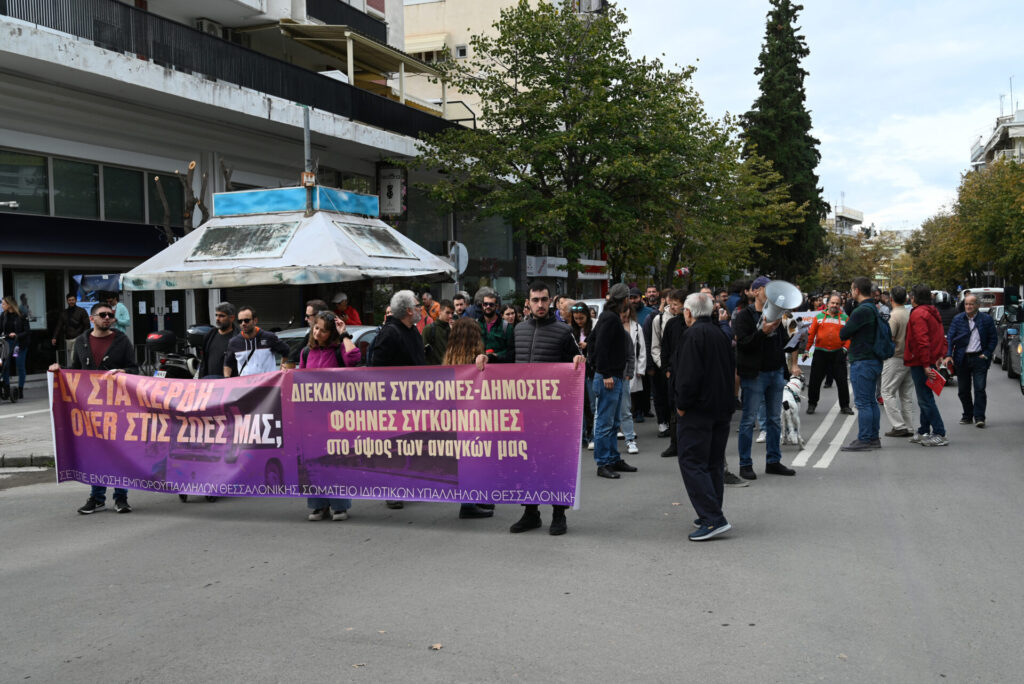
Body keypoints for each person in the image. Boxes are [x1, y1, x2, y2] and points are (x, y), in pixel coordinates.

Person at [507, 281, 585, 535]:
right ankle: (531, 513)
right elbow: (508, 361)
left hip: (553, 414)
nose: (540, 304)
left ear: (550, 301)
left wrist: (578, 359)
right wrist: (488, 359)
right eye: (535, 300)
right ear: (528, 303)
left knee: (554, 463)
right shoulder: (518, 330)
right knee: (526, 463)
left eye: (544, 299)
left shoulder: (563, 332)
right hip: (524, 412)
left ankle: (559, 514)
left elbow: (580, 362)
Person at [48, 301, 138, 514]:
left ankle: (121, 498)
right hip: (90, 408)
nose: (107, 318)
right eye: (103, 314)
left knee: (118, 452)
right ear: (92, 318)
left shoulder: (122, 340)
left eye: (110, 315)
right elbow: (74, 373)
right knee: (96, 452)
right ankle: (96, 497)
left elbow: (135, 368)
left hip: (118, 407)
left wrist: (125, 371)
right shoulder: (81, 341)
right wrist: (58, 371)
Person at [673, 293, 736, 541]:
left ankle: (712, 518)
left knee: (692, 462)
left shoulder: (693, 335)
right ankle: (712, 511)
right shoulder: (720, 333)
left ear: (688, 312)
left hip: (698, 410)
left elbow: (687, 376)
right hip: (721, 406)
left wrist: (681, 405)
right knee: (712, 462)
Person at [733, 276, 796, 479]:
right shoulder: (745, 316)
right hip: (755, 374)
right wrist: (762, 332)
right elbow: (743, 344)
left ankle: (773, 461)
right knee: (748, 420)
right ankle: (745, 464)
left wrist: (794, 338)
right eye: (768, 290)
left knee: (774, 420)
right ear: (757, 291)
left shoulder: (778, 315)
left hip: (775, 372)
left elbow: (783, 343)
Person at [368, 290, 427, 509]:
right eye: (418, 304)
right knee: (393, 448)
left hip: (413, 399)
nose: (421, 308)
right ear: (409, 310)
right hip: (394, 402)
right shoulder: (390, 333)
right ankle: (392, 489)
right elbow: (378, 371)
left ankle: (407, 485)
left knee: (408, 445)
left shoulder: (411, 331)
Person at [300, 311, 360, 521]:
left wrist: (345, 335)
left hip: (336, 416)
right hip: (312, 417)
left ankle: (340, 505)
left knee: (336, 461)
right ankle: (318, 505)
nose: (317, 332)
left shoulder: (339, 350)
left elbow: (354, 359)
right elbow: (299, 380)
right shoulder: (307, 352)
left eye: (323, 330)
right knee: (313, 462)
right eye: (316, 328)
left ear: (331, 333)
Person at [442, 317, 495, 520]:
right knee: (475, 458)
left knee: (464, 459)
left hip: (455, 414)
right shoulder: (477, 358)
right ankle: (470, 503)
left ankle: (473, 499)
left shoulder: (450, 356)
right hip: (474, 413)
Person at [588, 283, 637, 479]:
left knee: (613, 421)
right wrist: (605, 372)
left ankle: (613, 458)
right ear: (625, 300)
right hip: (609, 377)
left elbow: (592, 341)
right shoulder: (610, 319)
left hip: (612, 375)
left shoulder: (607, 317)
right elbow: (600, 346)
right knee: (605, 422)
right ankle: (603, 462)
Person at [837, 278, 884, 452]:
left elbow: (844, 333)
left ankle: (864, 438)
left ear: (857, 290)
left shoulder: (861, 310)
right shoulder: (873, 307)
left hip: (863, 360)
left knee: (863, 402)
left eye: (851, 289)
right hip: (873, 359)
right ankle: (873, 437)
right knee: (871, 401)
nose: (851, 292)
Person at [904, 286, 948, 446]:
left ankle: (939, 433)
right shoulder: (932, 312)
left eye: (911, 295)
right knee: (925, 396)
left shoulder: (918, 314)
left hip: (921, 361)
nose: (910, 298)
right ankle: (923, 430)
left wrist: (925, 364)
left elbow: (922, 341)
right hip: (930, 359)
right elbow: (939, 336)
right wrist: (940, 354)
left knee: (925, 399)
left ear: (915, 297)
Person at [945, 293, 996, 428]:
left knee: (979, 389)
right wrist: (949, 354)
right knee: (963, 390)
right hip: (962, 358)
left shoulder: (986, 319)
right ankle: (967, 415)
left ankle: (979, 417)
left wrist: (986, 354)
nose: (968, 306)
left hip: (979, 358)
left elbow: (993, 339)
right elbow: (950, 338)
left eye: (971, 304)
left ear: (977, 305)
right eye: (966, 304)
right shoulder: (958, 319)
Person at [804, 294, 852, 415]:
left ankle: (845, 406)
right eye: (832, 303)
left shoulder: (845, 318)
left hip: (838, 353)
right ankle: (812, 404)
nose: (834, 305)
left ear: (840, 305)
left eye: (837, 303)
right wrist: (806, 350)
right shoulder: (819, 317)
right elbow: (811, 334)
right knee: (815, 380)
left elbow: (850, 336)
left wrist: (845, 349)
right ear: (827, 304)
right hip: (821, 352)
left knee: (842, 381)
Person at [880, 286, 915, 437]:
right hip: (909, 357)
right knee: (906, 395)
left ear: (891, 299)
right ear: (906, 299)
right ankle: (909, 426)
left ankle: (899, 425)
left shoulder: (894, 316)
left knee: (887, 391)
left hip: (895, 357)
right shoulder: (909, 314)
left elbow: (890, 337)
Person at [223, 306, 290, 377]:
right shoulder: (234, 342)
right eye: (240, 321)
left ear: (255, 320)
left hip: (268, 384)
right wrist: (227, 380)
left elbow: (286, 350)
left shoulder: (269, 337)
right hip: (246, 386)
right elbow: (228, 364)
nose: (243, 324)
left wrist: (281, 372)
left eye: (246, 320)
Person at [618, 302, 646, 454]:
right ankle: (620, 429)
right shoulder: (612, 326)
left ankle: (629, 435)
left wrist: (641, 368)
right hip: (616, 368)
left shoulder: (636, 327)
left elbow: (641, 349)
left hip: (631, 367)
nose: (624, 316)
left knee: (627, 401)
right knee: (617, 402)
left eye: (625, 312)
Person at [570, 301, 595, 449]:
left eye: (581, 318)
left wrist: (588, 345)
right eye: (576, 318)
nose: (579, 321)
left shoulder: (594, 330)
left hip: (591, 372)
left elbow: (600, 347)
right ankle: (583, 436)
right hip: (577, 374)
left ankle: (592, 434)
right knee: (580, 406)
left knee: (592, 404)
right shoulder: (572, 332)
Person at [0, 296, 30, 402]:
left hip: (18, 344)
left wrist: (16, 334)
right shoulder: (3, 316)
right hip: (7, 344)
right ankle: (7, 388)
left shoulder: (21, 315)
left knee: (18, 363)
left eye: (3, 304)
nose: (2, 305)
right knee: (5, 364)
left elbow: (27, 331)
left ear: (9, 305)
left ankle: (20, 389)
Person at [287, 299, 329, 368]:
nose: (306, 319)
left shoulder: (338, 345)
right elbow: (293, 356)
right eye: (316, 329)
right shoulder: (308, 338)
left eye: (308, 316)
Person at [475, 289, 515, 363]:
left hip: (499, 368)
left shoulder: (506, 327)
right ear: (482, 305)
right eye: (485, 304)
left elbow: (511, 351)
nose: (488, 306)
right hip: (480, 369)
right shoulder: (475, 325)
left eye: (491, 304)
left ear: (496, 306)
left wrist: (496, 356)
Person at [200, 302, 238, 378]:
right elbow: (204, 362)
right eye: (216, 315)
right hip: (210, 383)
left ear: (232, 318)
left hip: (230, 384)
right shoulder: (210, 335)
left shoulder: (238, 337)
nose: (217, 319)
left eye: (221, 316)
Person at [51, 293, 89, 367]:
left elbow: (87, 325)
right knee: (73, 357)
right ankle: (79, 369)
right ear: (67, 301)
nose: (71, 301)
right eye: (69, 300)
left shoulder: (81, 311)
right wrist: (54, 337)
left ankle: (76, 371)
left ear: (76, 300)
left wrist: (84, 336)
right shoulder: (64, 313)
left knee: (73, 357)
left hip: (79, 338)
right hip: (68, 339)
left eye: (73, 300)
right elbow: (59, 325)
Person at [422, 299, 454, 366]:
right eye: (447, 313)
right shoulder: (429, 329)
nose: (450, 316)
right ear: (440, 312)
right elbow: (423, 353)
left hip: (450, 369)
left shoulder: (453, 329)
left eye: (452, 313)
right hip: (434, 371)